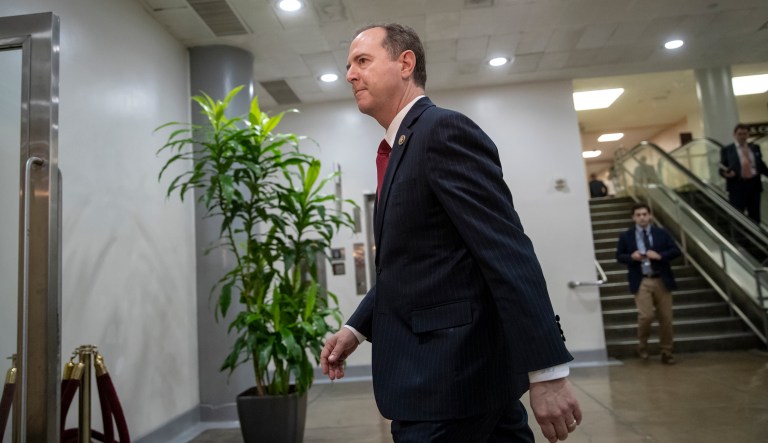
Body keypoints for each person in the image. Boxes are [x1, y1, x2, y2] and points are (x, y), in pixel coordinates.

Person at [320, 23, 581, 443]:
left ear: (406, 63)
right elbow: (415, 263)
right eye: (348, 65)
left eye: (362, 61)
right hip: (457, 388)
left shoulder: (441, 131)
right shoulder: (400, 146)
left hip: (447, 381)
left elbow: (506, 251)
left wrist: (547, 371)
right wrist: (356, 329)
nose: (350, 74)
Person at [616, 203, 680, 365]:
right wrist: (632, 256)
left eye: (644, 214)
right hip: (641, 279)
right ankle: (642, 347)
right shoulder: (627, 236)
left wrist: (659, 256)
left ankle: (667, 351)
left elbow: (675, 251)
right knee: (646, 316)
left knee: (666, 318)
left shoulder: (661, 233)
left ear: (650, 216)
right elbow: (619, 256)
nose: (642, 217)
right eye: (638, 215)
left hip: (661, 279)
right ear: (633, 217)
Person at [719, 123, 768, 223]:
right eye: (739, 134)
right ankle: (739, 237)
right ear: (734, 135)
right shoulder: (727, 150)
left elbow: (761, 165)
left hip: (754, 186)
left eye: (745, 134)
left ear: (748, 135)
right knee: (738, 216)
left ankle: (755, 238)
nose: (742, 136)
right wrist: (725, 173)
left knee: (755, 216)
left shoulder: (755, 147)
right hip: (737, 187)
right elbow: (721, 168)